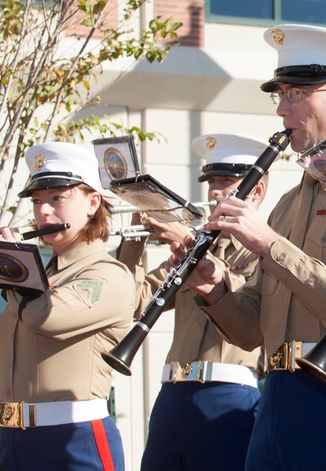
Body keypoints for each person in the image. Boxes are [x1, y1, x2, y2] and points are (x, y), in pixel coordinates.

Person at [177, 25, 326, 471]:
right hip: (276, 395)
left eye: (296, 93)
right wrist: (215, 289)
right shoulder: (288, 201)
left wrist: (269, 244)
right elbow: (251, 332)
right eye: (280, 95)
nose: (282, 109)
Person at [116, 133, 270, 471]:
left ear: (256, 191)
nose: (215, 191)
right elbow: (134, 302)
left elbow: (250, 311)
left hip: (228, 395)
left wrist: (188, 240)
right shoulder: (195, 245)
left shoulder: (266, 249)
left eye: (226, 181)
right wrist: (134, 237)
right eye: (212, 181)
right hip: (172, 393)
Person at [0, 142, 134, 470]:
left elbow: (46, 316)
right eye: (37, 201)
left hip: (73, 440)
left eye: (57, 198)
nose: (43, 212)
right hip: (11, 440)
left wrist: (13, 265)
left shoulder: (108, 273)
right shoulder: (40, 275)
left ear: (92, 202)